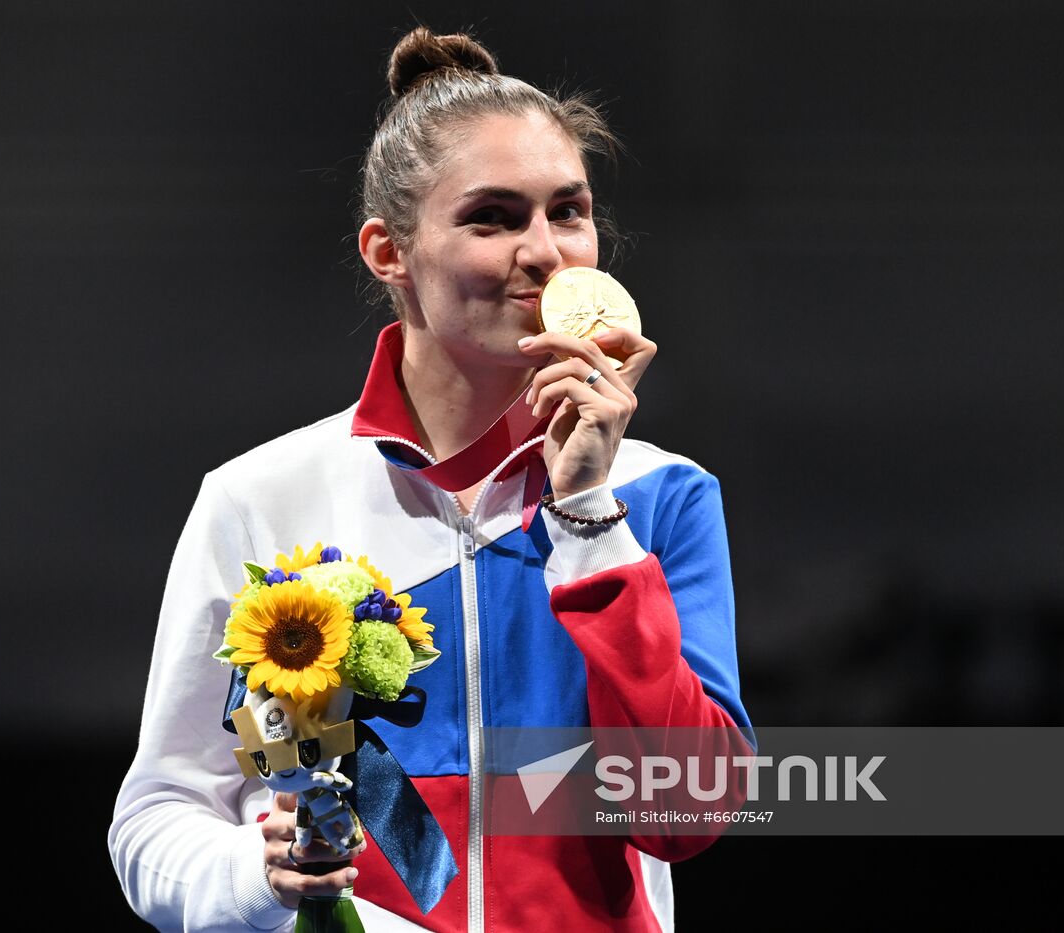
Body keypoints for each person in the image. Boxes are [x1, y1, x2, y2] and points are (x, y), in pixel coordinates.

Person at [108, 26, 751, 933]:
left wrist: (587, 516)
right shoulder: (261, 498)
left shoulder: (661, 498)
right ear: (389, 253)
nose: (547, 252)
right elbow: (157, 821)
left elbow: (687, 811)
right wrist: (261, 873)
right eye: (493, 217)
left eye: (568, 211)